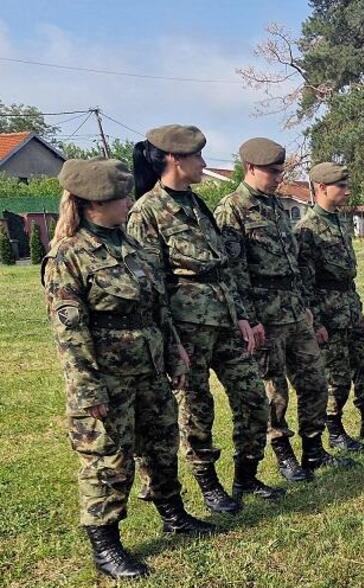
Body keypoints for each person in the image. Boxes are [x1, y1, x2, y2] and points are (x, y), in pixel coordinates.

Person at [42, 158, 214, 579]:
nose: (127, 202)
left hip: (149, 368)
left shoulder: (129, 244)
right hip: (106, 376)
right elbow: (70, 333)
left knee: (160, 443)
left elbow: (158, 309)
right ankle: (106, 546)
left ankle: (173, 514)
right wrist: (87, 391)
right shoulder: (69, 256)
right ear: (90, 204)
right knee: (108, 458)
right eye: (118, 198)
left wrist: (174, 353)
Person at [128, 124, 283, 511]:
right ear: (173, 159)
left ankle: (246, 476)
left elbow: (225, 267)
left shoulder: (197, 205)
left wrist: (244, 317)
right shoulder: (146, 212)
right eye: (196, 156)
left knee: (253, 399)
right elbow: (153, 287)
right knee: (197, 409)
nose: (202, 163)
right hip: (187, 330)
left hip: (226, 322)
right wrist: (171, 343)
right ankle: (208, 483)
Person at [215, 138, 351, 477]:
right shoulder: (231, 210)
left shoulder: (277, 207)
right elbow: (233, 272)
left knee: (315, 382)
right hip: (264, 315)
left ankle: (314, 449)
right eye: (273, 172)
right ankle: (283, 452)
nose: (279, 177)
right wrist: (247, 317)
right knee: (275, 390)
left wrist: (306, 307)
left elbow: (295, 265)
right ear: (250, 168)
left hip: (294, 310)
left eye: (281, 171)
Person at [295, 163, 364, 451]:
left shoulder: (339, 222)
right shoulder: (307, 229)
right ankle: (335, 430)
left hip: (349, 310)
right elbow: (304, 284)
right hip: (328, 315)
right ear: (321, 188)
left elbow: (346, 275)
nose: (346, 190)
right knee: (337, 378)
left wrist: (358, 310)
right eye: (340, 186)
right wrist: (316, 322)